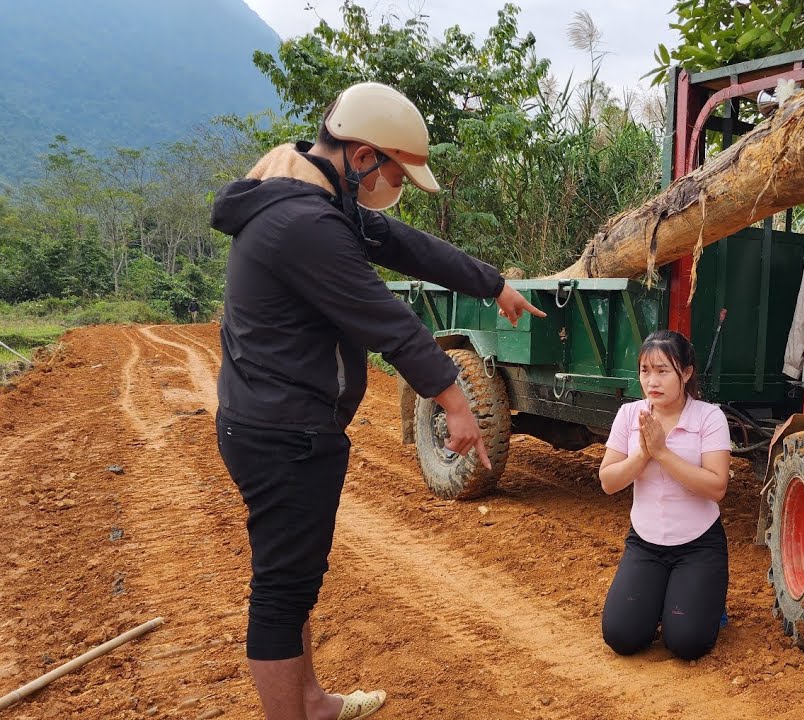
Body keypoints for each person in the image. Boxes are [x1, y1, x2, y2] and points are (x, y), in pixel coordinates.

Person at [210, 81, 544, 720]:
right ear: (362, 156)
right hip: (286, 431)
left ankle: (311, 702)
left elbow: (406, 245)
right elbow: (385, 320)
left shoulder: (314, 198)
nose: (395, 184)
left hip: (280, 421)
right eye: (396, 170)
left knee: (296, 581)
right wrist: (454, 397)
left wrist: (492, 283)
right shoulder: (303, 223)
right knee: (282, 591)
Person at [598, 330, 732, 661]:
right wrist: (642, 456)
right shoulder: (630, 415)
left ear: (686, 373)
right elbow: (608, 481)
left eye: (663, 371)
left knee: (688, 643)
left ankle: (700, 598)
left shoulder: (709, 416)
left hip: (698, 546)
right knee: (621, 637)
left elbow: (717, 487)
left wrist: (661, 452)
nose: (652, 381)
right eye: (645, 370)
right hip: (645, 543)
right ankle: (667, 597)